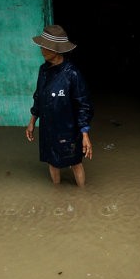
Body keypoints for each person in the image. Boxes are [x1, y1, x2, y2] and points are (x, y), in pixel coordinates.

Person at [25, 25, 94, 187]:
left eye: (44, 46)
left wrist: (85, 134)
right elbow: (38, 97)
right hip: (48, 127)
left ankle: (83, 195)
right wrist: (32, 121)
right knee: (52, 161)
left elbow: (84, 105)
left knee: (75, 162)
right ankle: (56, 192)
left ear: (55, 50)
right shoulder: (43, 70)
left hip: (68, 129)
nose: (41, 49)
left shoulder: (72, 74)